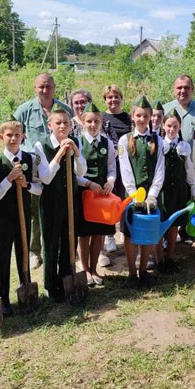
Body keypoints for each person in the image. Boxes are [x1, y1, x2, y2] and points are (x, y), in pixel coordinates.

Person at [13, 73, 73, 270]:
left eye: (48, 87)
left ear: (54, 88)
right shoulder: (24, 111)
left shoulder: (65, 110)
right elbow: (14, 136)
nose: (45, 91)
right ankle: (34, 251)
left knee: (60, 210)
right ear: (35, 87)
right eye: (41, 87)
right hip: (35, 170)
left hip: (61, 169)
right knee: (35, 211)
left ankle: (59, 249)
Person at [0, 120, 43, 316]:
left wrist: (26, 185)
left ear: (23, 136)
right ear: (1, 137)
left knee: (23, 253)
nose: (13, 138)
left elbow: (39, 188)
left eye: (17, 135)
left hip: (24, 215)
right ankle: (2, 298)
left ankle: (25, 288)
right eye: (9, 135)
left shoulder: (30, 159)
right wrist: (9, 179)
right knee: (3, 256)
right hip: (4, 216)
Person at [33, 106, 87, 303]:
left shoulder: (76, 142)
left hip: (70, 198)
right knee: (51, 241)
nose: (63, 126)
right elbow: (45, 177)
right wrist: (59, 154)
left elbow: (81, 171)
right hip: (51, 201)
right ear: (50, 126)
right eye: (58, 123)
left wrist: (75, 152)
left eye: (66, 122)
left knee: (69, 239)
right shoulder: (42, 145)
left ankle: (66, 277)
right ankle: (50, 284)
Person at [118, 95, 165, 288]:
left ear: (150, 117)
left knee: (147, 232)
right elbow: (125, 169)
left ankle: (144, 270)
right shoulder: (124, 140)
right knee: (129, 234)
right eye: (138, 115)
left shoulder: (158, 140)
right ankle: (131, 273)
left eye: (145, 115)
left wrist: (153, 194)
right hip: (132, 195)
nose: (142, 119)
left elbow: (160, 169)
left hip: (151, 195)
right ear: (132, 117)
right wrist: (133, 194)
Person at [163, 75, 195, 245]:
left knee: (192, 196)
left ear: (192, 89)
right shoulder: (165, 108)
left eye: (186, 87)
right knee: (169, 198)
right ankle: (167, 231)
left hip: (194, 164)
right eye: (179, 88)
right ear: (174, 89)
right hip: (169, 165)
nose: (182, 91)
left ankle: (185, 231)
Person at [75, 102, 116, 287]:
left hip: (102, 195)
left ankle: (94, 269)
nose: (93, 125)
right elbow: (75, 173)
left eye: (96, 121)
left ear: (101, 122)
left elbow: (111, 168)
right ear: (83, 122)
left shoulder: (107, 142)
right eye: (89, 121)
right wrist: (89, 184)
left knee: (99, 233)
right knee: (84, 234)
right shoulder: (78, 143)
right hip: (84, 193)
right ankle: (85, 271)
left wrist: (110, 181)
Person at [156, 109, 195, 274]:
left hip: (179, 191)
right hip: (162, 191)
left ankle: (169, 257)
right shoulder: (159, 144)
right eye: (168, 126)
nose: (171, 129)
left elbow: (189, 169)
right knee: (161, 223)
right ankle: (158, 258)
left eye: (175, 126)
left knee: (174, 224)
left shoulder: (184, 146)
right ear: (163, 126)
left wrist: (194, 189)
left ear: (179, 127)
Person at [100, 84, 132, 261]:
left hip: (126, 165)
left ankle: (123, 230)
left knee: (124, 198)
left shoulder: (129, 118)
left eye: (116, 96)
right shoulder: (101, 118)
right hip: (108, 166)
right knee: (109, 200)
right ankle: (109, 235)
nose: (113, 100)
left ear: (121, 98)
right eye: (109, 97)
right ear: (105, 100)